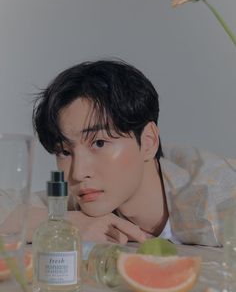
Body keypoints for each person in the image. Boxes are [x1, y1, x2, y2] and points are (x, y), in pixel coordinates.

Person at [30, 59, 236, 246]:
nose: (77, 173)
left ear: (148, 142)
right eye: (64, 151)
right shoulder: (82, 199)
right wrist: (68, 223)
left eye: (99, 143)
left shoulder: (220, 196)